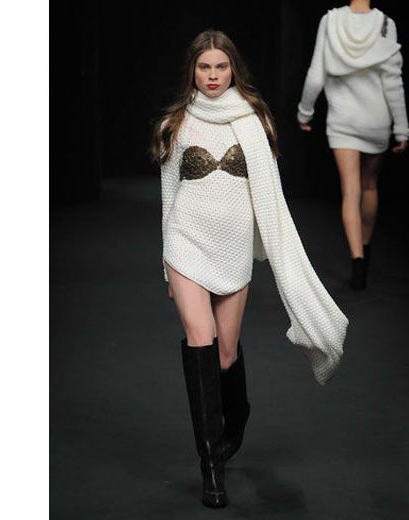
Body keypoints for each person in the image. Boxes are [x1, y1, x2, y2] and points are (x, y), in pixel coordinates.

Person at [151, 29, 348, 508]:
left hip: (233, 247)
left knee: (225, 353)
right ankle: (211, 468)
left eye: (221, 66)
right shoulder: (176, 122)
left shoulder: (254, 119)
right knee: (200, 341)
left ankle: (236, 417)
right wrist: (167, 266)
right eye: (204, 67)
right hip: (186, 242)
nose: (212, 75)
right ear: (192, 70)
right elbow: (169, 195)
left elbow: (269, 194)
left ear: (232, 68)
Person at [297, 0, 407, 290]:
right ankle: (366, 252)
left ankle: (357, 261)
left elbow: (316, 74)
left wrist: (305, 112)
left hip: (342, 119)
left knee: (350, 190)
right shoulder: (386, 23)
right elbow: (393, 81)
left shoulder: (330, 20)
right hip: (376, 120)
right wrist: (402, 127)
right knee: (369, 186)